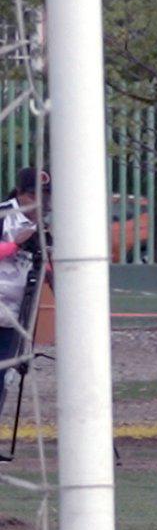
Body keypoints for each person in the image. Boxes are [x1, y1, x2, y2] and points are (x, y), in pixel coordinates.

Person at [1, 168, 50, 415]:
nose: (40, 202)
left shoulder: (43, 226)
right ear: (19, 194)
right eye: (33, 195)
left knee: (2, 377)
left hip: (13, 315)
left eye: (46, 196)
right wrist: (15, 244)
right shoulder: (3, 216)